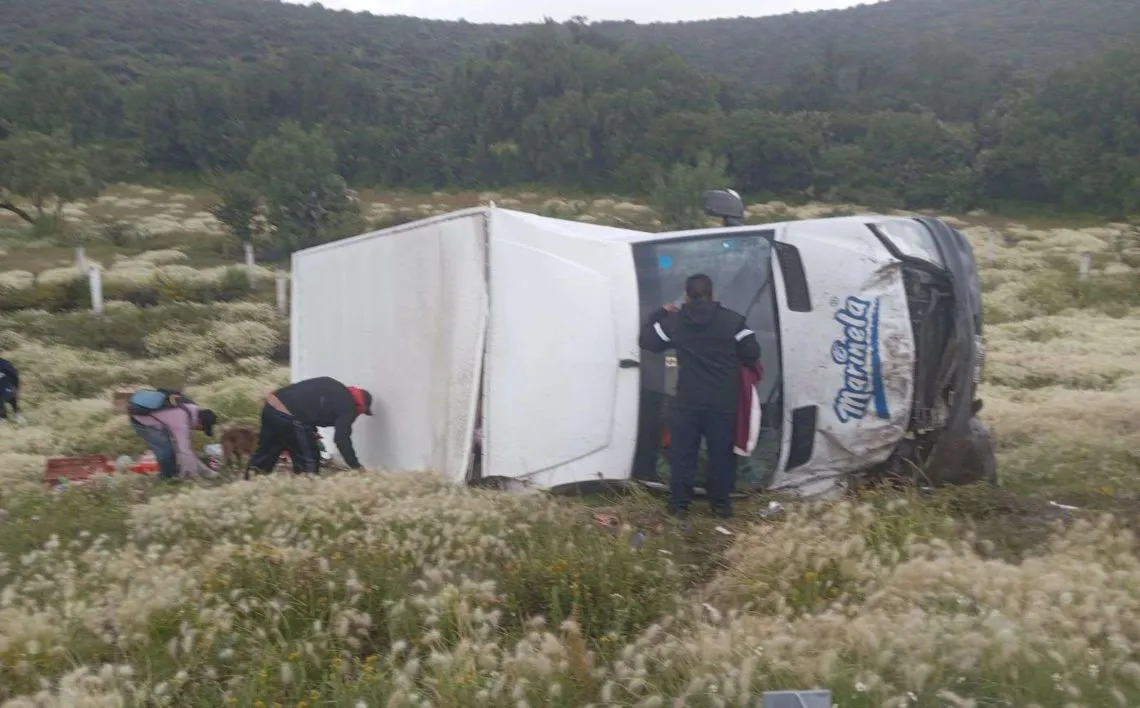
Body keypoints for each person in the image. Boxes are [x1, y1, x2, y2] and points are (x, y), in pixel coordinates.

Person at [639, 273, 761, 519]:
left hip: (688, 401)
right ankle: (720, 505)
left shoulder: (674, 322)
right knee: (722, 454)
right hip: (722, 401)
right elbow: (752, 352)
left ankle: (679, 506)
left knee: (683, 454)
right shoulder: (733, 321)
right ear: (712, 294)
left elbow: (648, 341)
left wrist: (659, 313)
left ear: (686, 294)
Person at [245, 376, 372, 479]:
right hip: (290, 416)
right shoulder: (349, 406)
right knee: (309, 460)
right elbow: (341, 439)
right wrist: (356, 467)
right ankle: (305, 494)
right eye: (361, 413)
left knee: (265, 454)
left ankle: (249, 487)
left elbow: (309, 403)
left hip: (271, 406)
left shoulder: (332, 386)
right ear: (361, 406)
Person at [130, 396, 218, 480]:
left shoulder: (192, 409)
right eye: (202, 428)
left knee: (175, 448)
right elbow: (184, 450)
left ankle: (177, 472)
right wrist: (193, 475)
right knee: (166, 450)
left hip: (157, 419)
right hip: (142, 420)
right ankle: (167, 479)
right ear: (199, 421)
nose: (199, 430)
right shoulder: (181, 421)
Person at [0, 357, 26, 425]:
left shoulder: (4, 364)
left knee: (12, 399)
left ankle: (18, 416)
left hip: (7, 386)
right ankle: (2, 418)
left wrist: (16, 386)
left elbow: (14, 375)